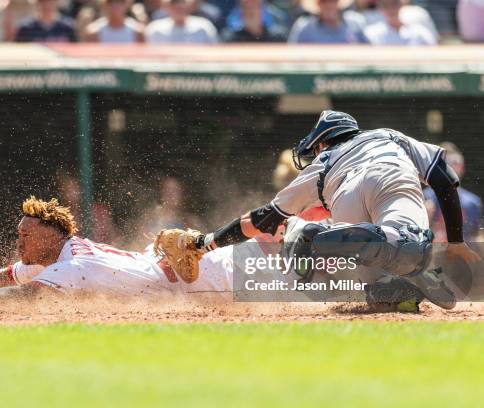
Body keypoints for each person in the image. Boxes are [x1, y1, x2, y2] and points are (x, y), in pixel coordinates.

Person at [154, 110, 481, 312]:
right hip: (397, 197)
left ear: (321, 144)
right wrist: (454, 242)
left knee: (302, 236)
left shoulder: (322, 164)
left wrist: (205, 243)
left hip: (348, 204)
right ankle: (410, 273)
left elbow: (262, 220)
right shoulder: (390, 137)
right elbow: (445, 180)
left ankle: (387, 267)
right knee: (398, 260)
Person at [0, 197, 234, 297]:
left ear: (48, 237)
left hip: (192, 277)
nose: (19, 242)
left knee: (270, 284)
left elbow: (23, 295)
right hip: (160, 263)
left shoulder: (74, 267)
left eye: (26, 235)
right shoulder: (58, 254)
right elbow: (5, 277)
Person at [424, 142, 483, 242]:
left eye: (456, 163)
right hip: (434, 253)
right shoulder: (425, 197)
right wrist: (426, 216)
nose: (453, 167)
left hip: (462, 253)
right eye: (448, 163)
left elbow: (478, 235)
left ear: (462, 168)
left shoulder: (473, 203)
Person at [288, 0, 368, 43]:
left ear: (338, 3)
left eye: (332, 0)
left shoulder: (355, 23)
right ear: (318, 4)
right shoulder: (304, 28)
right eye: (323, 1)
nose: (328, 5)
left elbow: (369, 51)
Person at [363, 0, 437, 45]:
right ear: (379, 8)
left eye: (395, 3)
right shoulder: (372, 33)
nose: (391, 8)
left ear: (402, 3)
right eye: (385, 4)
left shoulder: (420, 31)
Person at [145, 0, 218, 44]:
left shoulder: (204, 27)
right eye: (173, 2)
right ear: (165, 6)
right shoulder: (154, 29)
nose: (178, 6)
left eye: (182, 1)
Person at [222, 0, 290, 42]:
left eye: (254, 6)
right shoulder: (231, 39)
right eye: (246, 7)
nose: (250, 11)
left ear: (262, 11)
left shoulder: (278, 38)